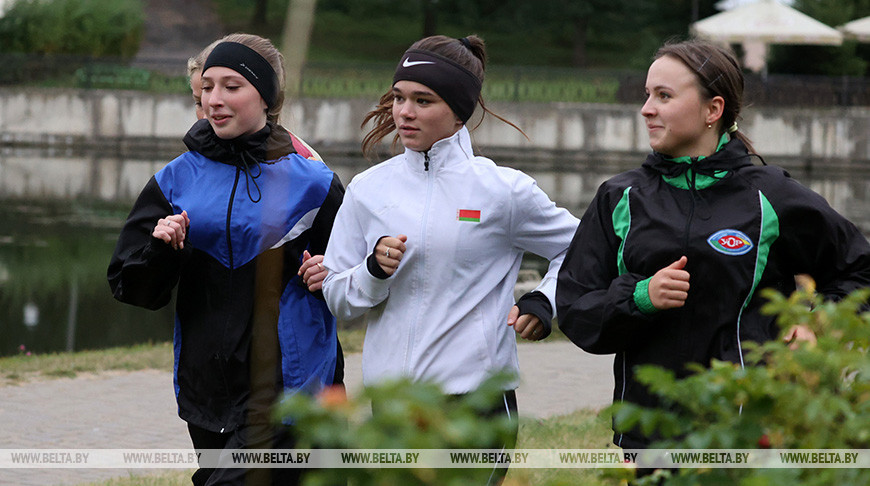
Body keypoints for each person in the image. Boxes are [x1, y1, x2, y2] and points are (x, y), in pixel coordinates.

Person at [555, 39, 870, 454]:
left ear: (713, 110)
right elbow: (576, 309)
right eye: (647, 95)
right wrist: (639, 297)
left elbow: (860, 271)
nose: (646, 108)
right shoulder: (619, 197)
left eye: (664, 96)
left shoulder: (772, 195)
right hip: (650, 437)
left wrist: (815, 322)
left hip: (751, 433)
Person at [321, 34, 579, 484]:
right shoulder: (368, 189)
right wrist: (372, 272)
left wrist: (545, 300)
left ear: (459, 111)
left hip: (475, 404)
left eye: (423, 100)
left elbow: (581, 246)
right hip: (392, 404)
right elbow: (337, 297)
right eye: (399, 97)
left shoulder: (504, 190)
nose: (404, 111)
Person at [108, 33, 345, 486]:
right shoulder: (175, 180)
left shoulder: (314, 182)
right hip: (207, 385)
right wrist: (161, 251)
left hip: (287, 388)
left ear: (267, 95)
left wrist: (336, 273)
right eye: (207, 88)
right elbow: (131, 287)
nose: (214, 100)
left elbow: (355, 285)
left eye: (231, 86)